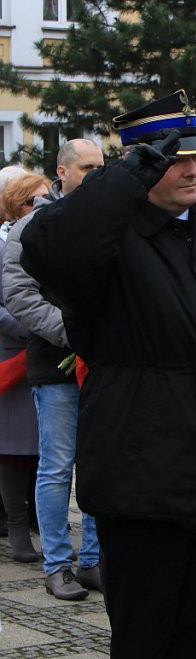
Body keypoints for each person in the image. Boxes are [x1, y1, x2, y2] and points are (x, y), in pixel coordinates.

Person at [19, 90, 196, 657]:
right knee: (145, 640)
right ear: (142, 164)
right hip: (140, 481)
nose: (192, 170)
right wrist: (120, 181)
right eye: (175, 160)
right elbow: (48, 251)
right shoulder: (110, 237)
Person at [4, 145, 105, 600]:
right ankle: (58, 564)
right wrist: (73, 333)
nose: (96, 174)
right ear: (62, 172)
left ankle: (94, 561)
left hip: (102, 362)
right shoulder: (30, 227)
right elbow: (19, 294)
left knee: (97, 464)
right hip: (56, 361)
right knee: (57, 467)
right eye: (87, 167)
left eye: (101, 167)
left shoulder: (113, 220)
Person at [0, 173, 47, 564]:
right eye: (33, 201)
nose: (40, 207)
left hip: (45, 349)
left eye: (47, 199)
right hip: (13, 352)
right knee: (14, 450)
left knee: (45, 449)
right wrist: (33, 325)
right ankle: (16, 527)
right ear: (15, 205)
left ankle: (36, 518)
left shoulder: (52, 239)